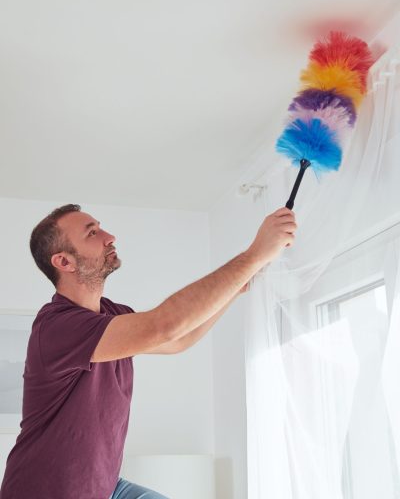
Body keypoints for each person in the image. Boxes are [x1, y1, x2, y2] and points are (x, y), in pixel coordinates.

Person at [0, 203, 297, 499]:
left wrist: (237, 286)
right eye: (92, 233)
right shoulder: (57, 326)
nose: (109, 236)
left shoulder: (113, 315)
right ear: (64, 262)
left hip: (105, 485)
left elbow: (179, 338)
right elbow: (164, 326)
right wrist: (253, 254)